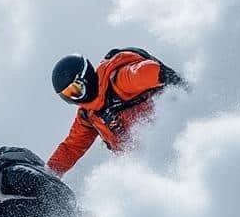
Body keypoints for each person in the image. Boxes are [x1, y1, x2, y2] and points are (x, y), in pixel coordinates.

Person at [47, 48, 184, 176]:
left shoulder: (117, 81)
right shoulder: (88, 115)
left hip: (174, 137)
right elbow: (72, 148)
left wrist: (165, 77)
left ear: (86, 78)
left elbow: (140, 73)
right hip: (148, 164)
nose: (75, 98)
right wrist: (50, 173)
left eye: (75, 90)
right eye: (68, 95)